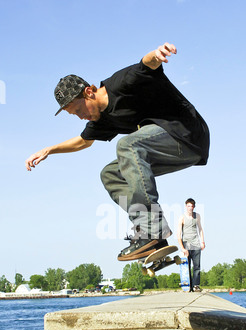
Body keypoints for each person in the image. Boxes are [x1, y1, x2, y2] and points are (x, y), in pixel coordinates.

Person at [25, 43, 210, 261]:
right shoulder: (101, 119)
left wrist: (157, 54)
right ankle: (151, 236)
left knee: (127, 145)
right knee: (111, 174)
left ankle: (152, 229)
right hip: (174, 151)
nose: (80, 116)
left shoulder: (121, 84)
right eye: (73, 115)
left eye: (78, 110)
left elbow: (146, 65)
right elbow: (83, 141)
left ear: (89, 92)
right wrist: (49, 150)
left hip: (187, 133)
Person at [177, 198, 205, 291]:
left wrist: (202, 242)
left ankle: (196, 285)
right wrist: (182, 248)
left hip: (196, 243)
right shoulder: (182, 217)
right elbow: (178, 234)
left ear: (194, 207)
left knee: (197, 266)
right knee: (187, 266)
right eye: (189, 206)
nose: (190, 208)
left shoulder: (197, 216)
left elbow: (200, 229)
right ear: (186, 206)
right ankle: (188, 286)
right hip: (186, 244)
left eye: (192, 206)